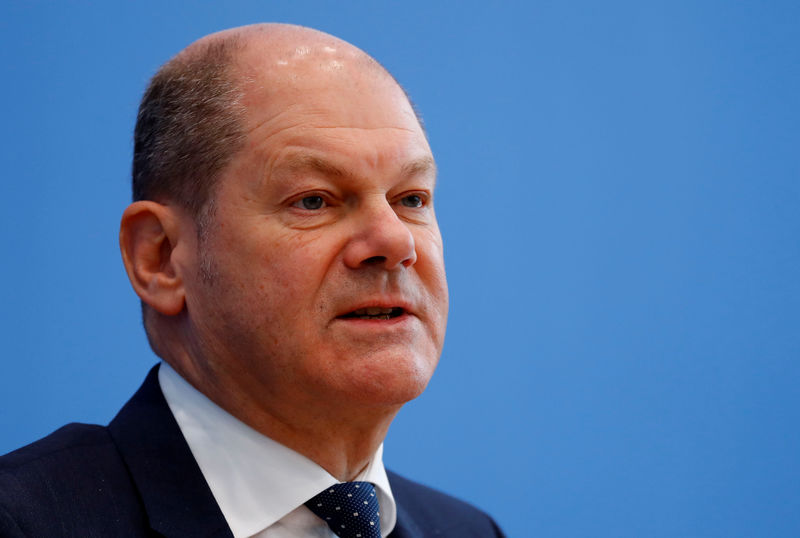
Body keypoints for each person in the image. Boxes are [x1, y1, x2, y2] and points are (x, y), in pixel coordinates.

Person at [0, 23, 504, 537]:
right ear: (163, 258)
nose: (397, 243)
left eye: (411, 200)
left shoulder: (467, 530)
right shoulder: (25, 521)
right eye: (314, 200)